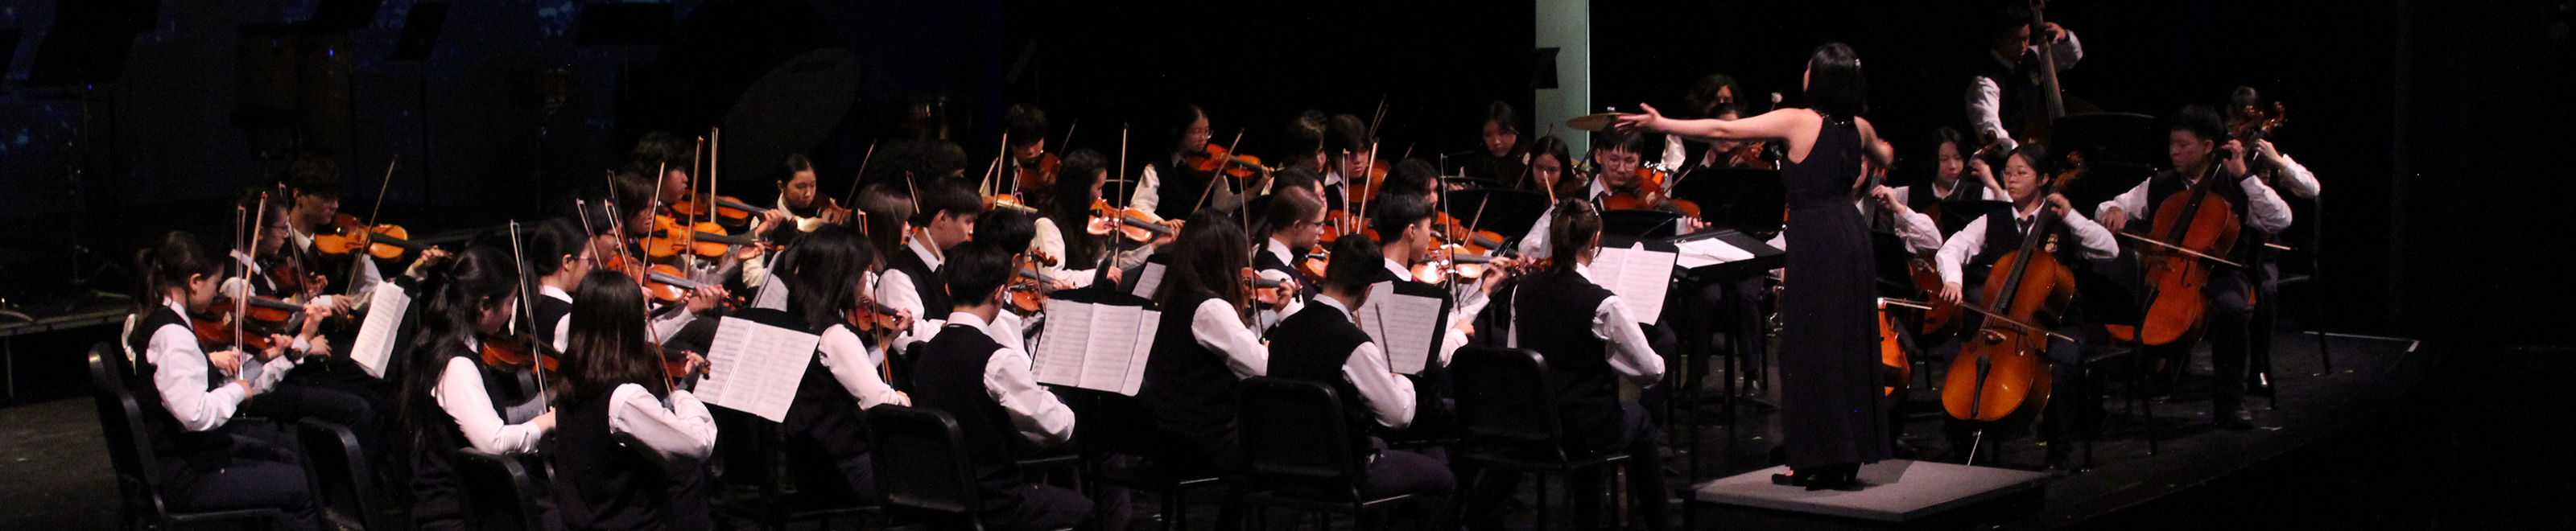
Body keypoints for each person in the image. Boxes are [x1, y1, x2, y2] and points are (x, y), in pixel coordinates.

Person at [1620, 42, 1900, 489]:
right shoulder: (1860, 127)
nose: (1804, 71)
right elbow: (1884, 156)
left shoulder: (1799, 119)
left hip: (1817, 238)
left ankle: (1818, 456)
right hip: (1850, 234)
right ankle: (1838, 458)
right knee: (1844, 342)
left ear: (1822, 77)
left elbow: (1722, 129)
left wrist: (1661, 123)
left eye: (1810, 67)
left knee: (1810, 347)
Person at [1463, 200, 1668, 530]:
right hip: (1581, 431)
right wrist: (1615, 360)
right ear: (1596, 240)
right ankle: (1658, 522)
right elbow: (1652, 371)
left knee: (1588, 417)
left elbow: (1519, 356)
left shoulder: (1523, 291)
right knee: (1639, 420)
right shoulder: (1604, 303)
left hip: (1537, 427)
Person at [2093, 105, 2293, 430]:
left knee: (2231, 310)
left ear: (2208, 147)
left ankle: (2231, 403)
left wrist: (2244, 175)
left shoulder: (2235, 183)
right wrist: (2114, 210)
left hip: (2222, 274)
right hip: (2168, 272)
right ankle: (2114, 393)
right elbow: (2110, 205)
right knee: (2114, 298)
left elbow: (2281, 218)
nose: (2174, 151)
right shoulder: (2162, 183)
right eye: (2172, 144)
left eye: (2183, 145)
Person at [1931, 143, 2119, 465]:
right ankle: (1963, 447)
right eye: (2008, 173)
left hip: (2055, 326)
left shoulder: (2063, 220)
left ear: (2044, 178)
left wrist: (2072, 216)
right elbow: (1950, 250)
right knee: (1953, 357)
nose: (2012, 179)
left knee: (2059, 367)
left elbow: (2110, 249)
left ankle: (2058, 450)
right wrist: (1953, 280)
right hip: (2002, 325)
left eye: (2022, 173)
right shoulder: (1994, 220)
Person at [126, 232, 319, 529]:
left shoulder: (164, 320)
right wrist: (236, 392)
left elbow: (209, 390)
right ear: (194, 282)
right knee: (306, 488)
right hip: (187, 476)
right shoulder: (172, 335)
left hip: (192, 459)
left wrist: (261, 363)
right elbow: (196, 414)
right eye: (215, 284)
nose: (218, 294)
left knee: (292, 459)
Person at [1265, 234, 1455, 529]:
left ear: (1327, 272)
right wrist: (1401, 378)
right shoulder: (1353, 343)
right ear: (1368, 293)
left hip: (1285, 466)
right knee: (1442, 479)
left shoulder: (1284, 330)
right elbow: (1399, 416)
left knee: (1378, 445)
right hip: (1339, 474)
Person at [910, 241, 1093, 531]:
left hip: (941, 502)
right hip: (995, 504)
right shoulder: (996, 360)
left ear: (948, 290)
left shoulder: (925, 351)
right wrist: (1059, 403)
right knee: (1086, 509)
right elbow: (1057, 427)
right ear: (999, 293)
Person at [394, 245, 555, 531]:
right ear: (483, 306)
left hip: (463, 503)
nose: (510, 314)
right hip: (456, 515)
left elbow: (490, 417)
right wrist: (546, 423)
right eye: (508, 303)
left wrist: (547, 401)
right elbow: (495, 442)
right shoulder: (456, 364)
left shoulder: (437, 342)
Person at [552, 270, 718, 531]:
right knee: (686, 475)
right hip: (629, 524)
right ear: (627, 327)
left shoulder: (570, 381)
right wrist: (683, 397)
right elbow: (698, 444)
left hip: (584, 521)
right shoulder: (623, 398)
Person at [775, 224, 913, 500]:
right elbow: (878, 401)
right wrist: (903, 400)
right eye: (863, 271)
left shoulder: (801, 319)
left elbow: (847, 369)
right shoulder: (836, 334)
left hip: (811, 462)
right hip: (849, 468)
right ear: (844, 276)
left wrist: (886, 340)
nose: (867, 280)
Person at [1138, 210, 1270, 477]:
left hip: (1172, 433)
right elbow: (1262, 368)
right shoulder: (1209, 309)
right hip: (1209, 439)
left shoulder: (1170, 296)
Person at [1033, 149, 1165, 290]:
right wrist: (1097, 274)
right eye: (1099, 188)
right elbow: (1049, 278)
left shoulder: (1084, 221)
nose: (1101, 196)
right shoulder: (1047, 224)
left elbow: (1107, 266)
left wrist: (1153, 246)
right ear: (1081, 189)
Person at [878, 182, 983, 346]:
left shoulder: (949, 264)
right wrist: (960, 326)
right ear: (943, 218)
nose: (971, 231)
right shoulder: (898, 275)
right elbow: (905, 339)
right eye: (968, 221)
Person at [1968, 6, 2083, 147]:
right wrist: (2020, 155)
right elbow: (1990, 129)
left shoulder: (2033, 57)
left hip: (2038, 143)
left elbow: (2071, 57)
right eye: (2015, 41)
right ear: (1998, 40)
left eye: (2027, 39)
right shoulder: (1985, 81)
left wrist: (2065, 37)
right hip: (2011, 159)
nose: (2023, 46)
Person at [1889, 127, 2009, 237]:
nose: (1953, 166)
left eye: (1958, 158)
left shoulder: (1981, 193)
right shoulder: (1911, 193)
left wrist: (1993, 184)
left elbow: (2010, 215)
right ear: (1932, 161)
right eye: (1944, 160)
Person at [1249, 184, 1324, 332]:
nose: (1322, 231)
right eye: (1318, 225)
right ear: (1297, 226)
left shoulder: (1278, 255)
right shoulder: (1275, 273)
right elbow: (1302, 331)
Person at [1459, 101, 1529, 184]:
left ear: (1516, 130)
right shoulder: (1475, 166)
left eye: (1502, 133)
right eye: (1488, 135)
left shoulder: (1531, 161)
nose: (1496, 141)